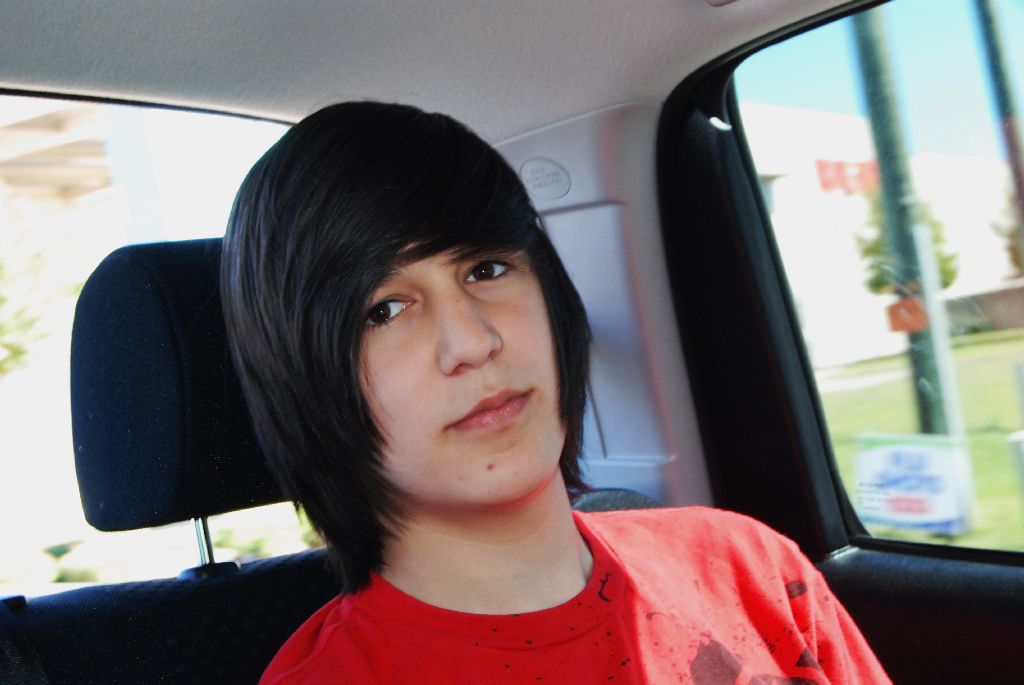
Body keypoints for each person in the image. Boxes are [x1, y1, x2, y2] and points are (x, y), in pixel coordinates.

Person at [220, 101, 891, 684]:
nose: (473, 341)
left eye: (487, 269)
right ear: (306, 379)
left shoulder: (748, 566)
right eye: (384, 310)